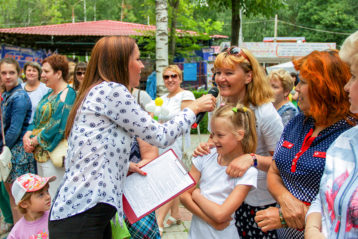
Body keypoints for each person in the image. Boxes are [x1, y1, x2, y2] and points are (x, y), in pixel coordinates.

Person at [47, 36, 215, 238]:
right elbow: (160, 136)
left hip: (83, 213)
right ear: (121, 63)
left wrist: (123, 166)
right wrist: (194, 107)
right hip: (83, 215)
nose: (142, 65)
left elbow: (86, 150)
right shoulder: (112, 91)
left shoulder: (97, 91)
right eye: (137, 59)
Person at [255, 50, 356, 239]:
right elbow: (274, 171)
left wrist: (289, 217)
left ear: (325, 87)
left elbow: (346, 210)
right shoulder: (298, 121)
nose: (296, 89)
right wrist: (285, 200)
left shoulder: (349, 136)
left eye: (303, 82)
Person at [193, 46, 284, 238]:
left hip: (256, 204)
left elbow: (282, 165)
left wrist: (253, 159)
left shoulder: (265, 113)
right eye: (217, 73)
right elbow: (216, 142)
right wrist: (207, 147)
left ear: (248, 76)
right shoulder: (218, 106)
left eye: (228, 73)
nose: (220, 78)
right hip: (224, 198)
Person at [305, 31, 358, 238]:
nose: (346, 86)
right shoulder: (344, 142)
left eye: (353, 76)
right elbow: (324, 194)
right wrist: (312, 229)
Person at [181, 103, 258, 238]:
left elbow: (221, 214)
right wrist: (210, 220)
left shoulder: (248, 173)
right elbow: (183, 196)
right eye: (212, 134)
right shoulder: (205, 156)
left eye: (220, 135)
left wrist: (197, 195)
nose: (214, 140)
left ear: (240, 135)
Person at [22, 54, 76, 198]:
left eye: (46, 71)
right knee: (44, 195)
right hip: (39, 152)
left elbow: (58, 125)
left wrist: (33, 140)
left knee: (53, 196)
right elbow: (37, 120)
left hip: (53, 153)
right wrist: (27, 135)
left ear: (58, 73)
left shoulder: (68, 93)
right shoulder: (48, 94)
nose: (42, 75)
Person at [156, 65, 196, 235]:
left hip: (178, 146)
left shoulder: (186, 95)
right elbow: (153, 120)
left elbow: (184, 120)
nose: (170, 79)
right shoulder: (162, 98)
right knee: (168, 180)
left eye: (174, 76)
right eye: (166, 77)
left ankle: (159, 221)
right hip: (161, 146)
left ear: (180, 78)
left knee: (170, 183)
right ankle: (176, 214)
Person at [0, 58, 36, 223]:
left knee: (20, 201)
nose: (7, 76)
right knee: (13, 198)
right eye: (4, 73)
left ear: (19, 73)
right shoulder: (8, 94)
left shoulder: (19, 97)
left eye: (11, 72)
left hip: (17, 152)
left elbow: (14, 130)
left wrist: (3, 148)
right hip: (10, 150)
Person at [8, 173, 55, 239]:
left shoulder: (54, 217)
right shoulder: (17, 232)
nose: (48, 196)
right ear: (24, 204)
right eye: (41, 194)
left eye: (47, 191)